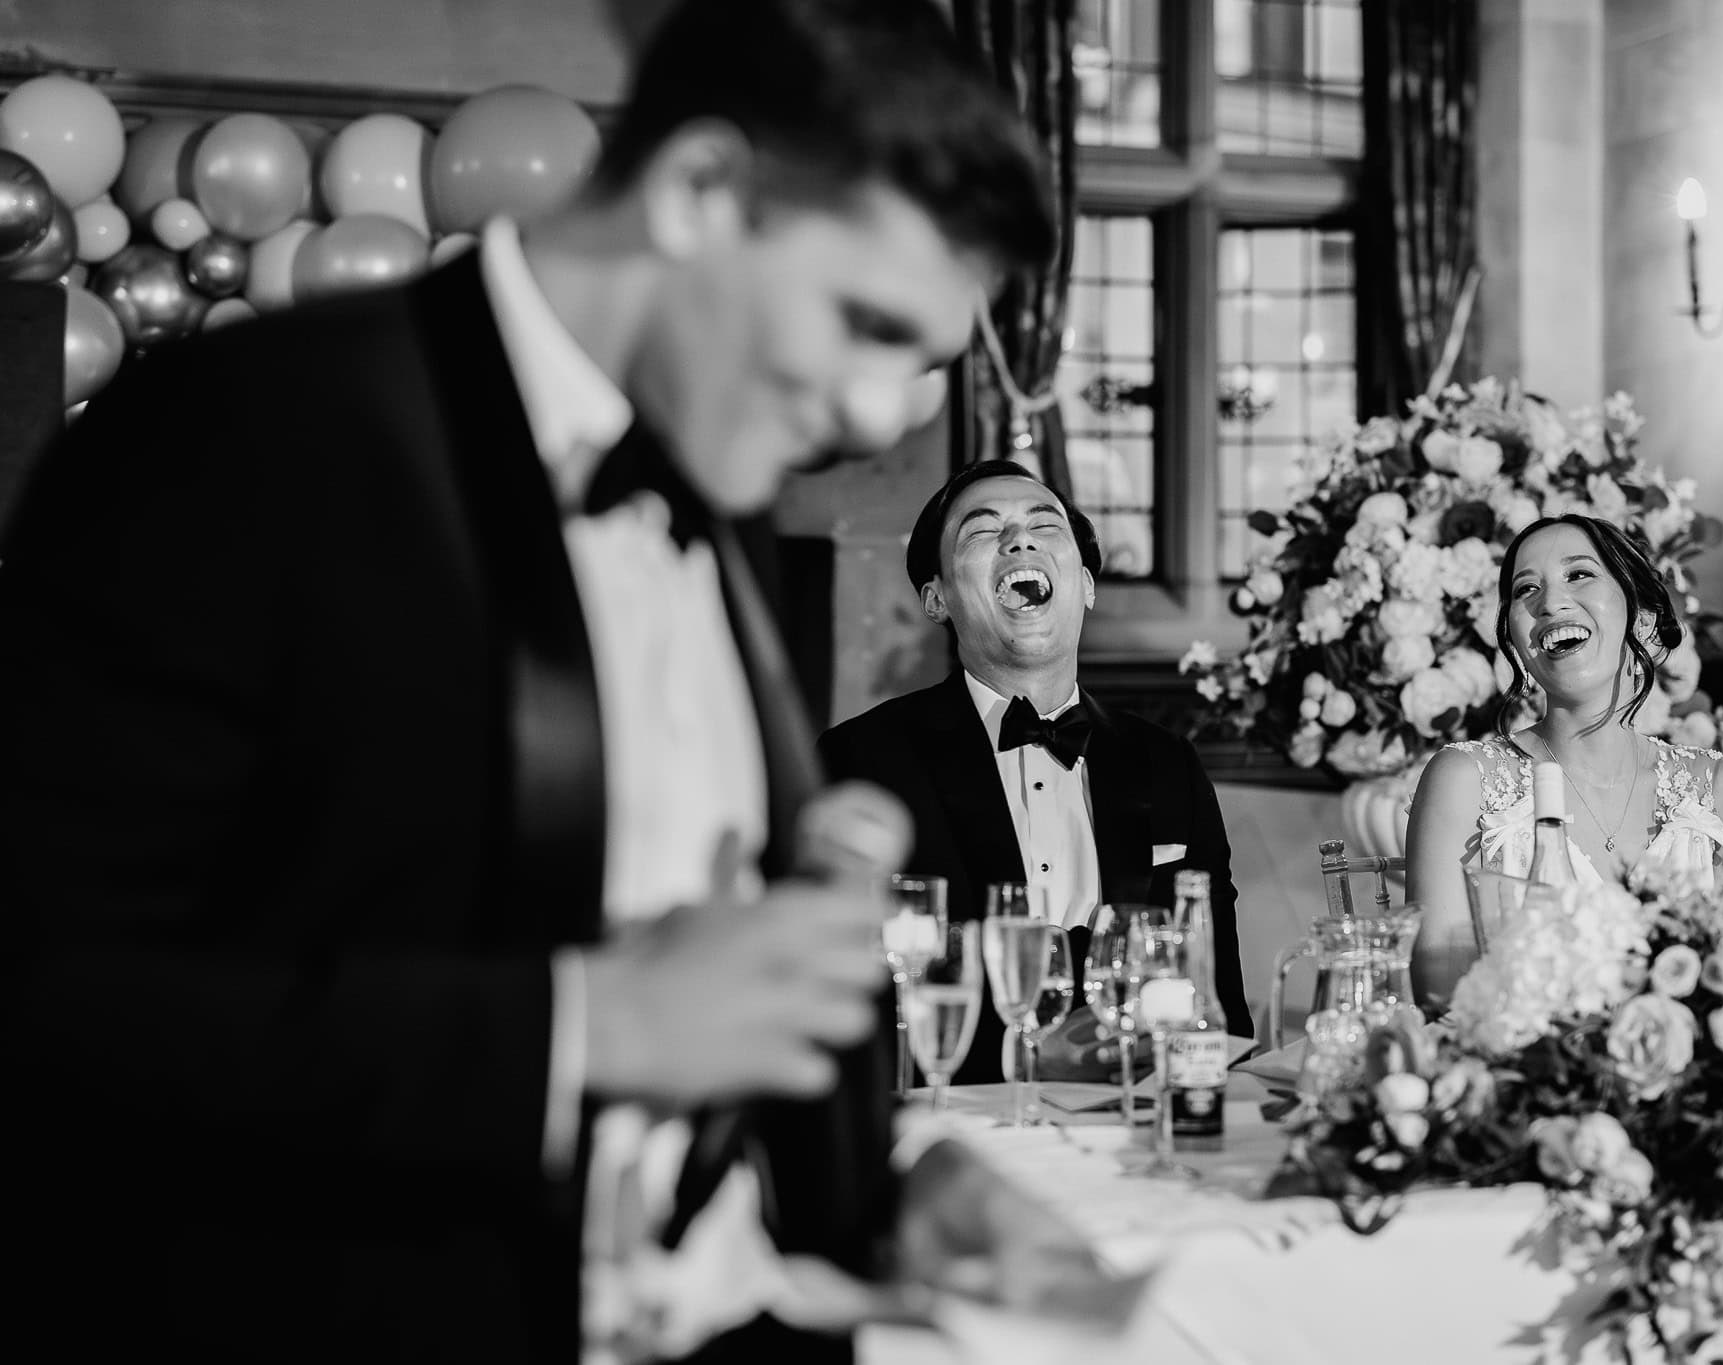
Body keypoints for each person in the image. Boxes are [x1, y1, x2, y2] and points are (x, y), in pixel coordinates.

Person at [0, 3, 1089, 1362]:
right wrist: (586, 1027)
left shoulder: (722, 481)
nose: (880, 416)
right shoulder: (250, 433)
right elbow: (48, 1007)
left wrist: (879, 1198)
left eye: (918, 359)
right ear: (699, 190)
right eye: (866, 324)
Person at [820, 459, 1255, 1085]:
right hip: (955, 1115)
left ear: (1086, 584)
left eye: (1043, 526)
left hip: (1138, 1113)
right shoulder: (861, 760)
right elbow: (854, 993)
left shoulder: (1169, 763)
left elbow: (1217, 993)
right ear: (937, 598)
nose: (1019, 540)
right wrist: (1019, 1054)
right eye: (981, 530)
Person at [1407, 514, 1723, 1008]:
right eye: (1526, 589)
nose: (1550, 602)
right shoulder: (1464, 780)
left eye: (1579, 574)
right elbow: (1441, 997)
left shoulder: (1717, 787)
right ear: (1515, 639)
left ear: (1641, 618)